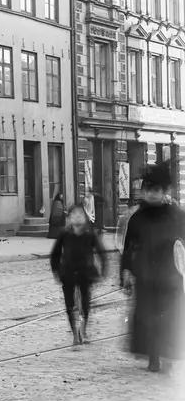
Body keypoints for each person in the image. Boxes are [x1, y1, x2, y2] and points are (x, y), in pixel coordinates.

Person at [119, 160, 185, 373]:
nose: (151, 195)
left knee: (168, 319)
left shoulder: (177, 215)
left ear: (165, 191)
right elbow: (128, 246)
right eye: (147, 190)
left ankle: (168, 355)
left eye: (156, 190)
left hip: (170, 276)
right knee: (148, 319)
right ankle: (154, 357)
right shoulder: (137, 217)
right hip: (146, 276)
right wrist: (126, 271)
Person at [50, 204, 107, 345]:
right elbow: (55, 254)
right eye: (73, 214)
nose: (77, 216)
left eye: (80, 214)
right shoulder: (64, 234)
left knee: (85, 301)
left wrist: (103, 270)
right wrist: (56, 271)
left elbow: (101, 252)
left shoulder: (90, 234)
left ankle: (83, 328)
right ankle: (75, 333)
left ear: (85, 218)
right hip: (67, 273)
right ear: (68, 218)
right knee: (69, 304)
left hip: (85, 273)